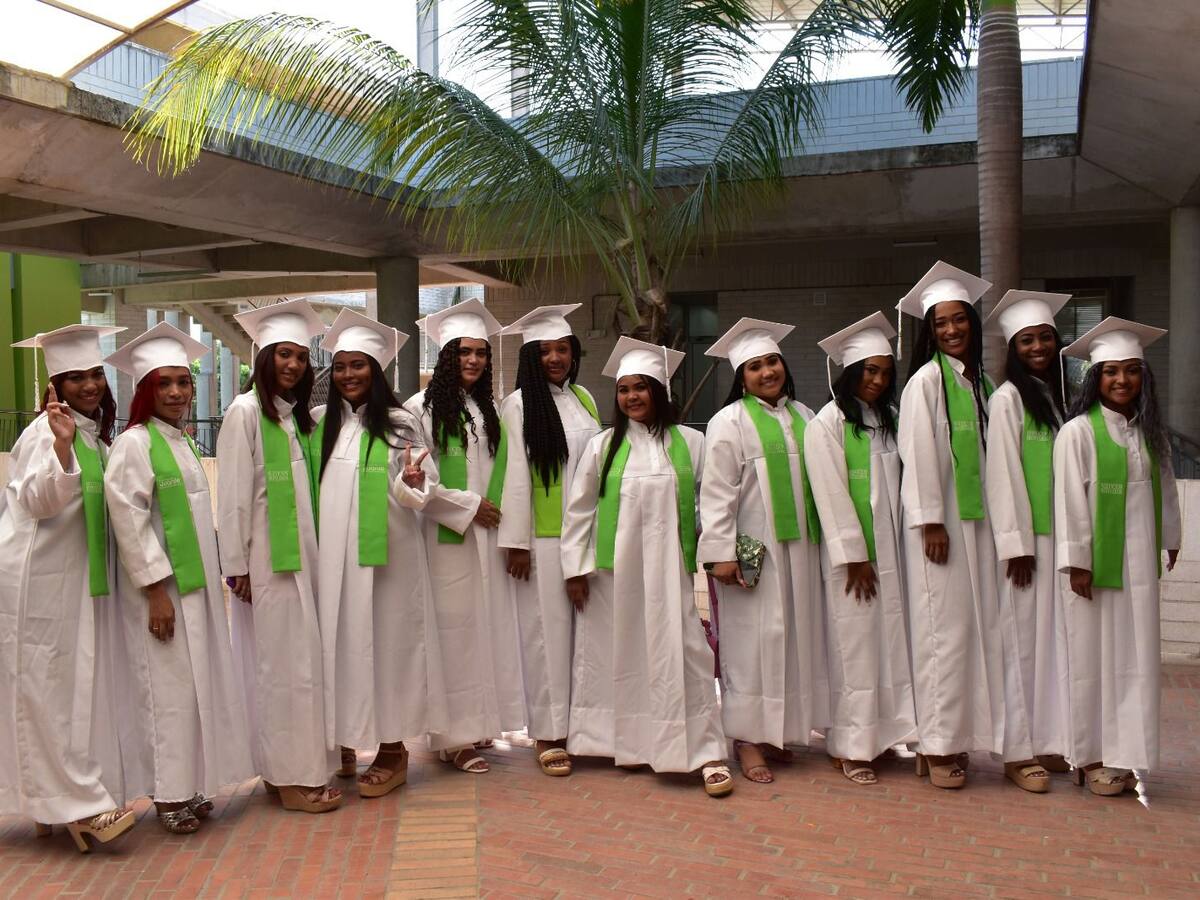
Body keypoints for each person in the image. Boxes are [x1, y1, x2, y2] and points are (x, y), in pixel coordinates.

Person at [561, 337, 732, 798]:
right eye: (624, 389)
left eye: (642, 387)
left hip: (670, 574)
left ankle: (700, 749)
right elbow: (579, 511)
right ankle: (629, 745)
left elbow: (712, 505)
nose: (633, 396)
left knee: (682, 652)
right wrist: (575, 569)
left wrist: (719, 551)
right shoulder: (603, 447)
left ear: (660, 390)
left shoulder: (692, 443)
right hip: (611, 574)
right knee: (618, 654)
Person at [103, 323, 254, 833]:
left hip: (195, 591)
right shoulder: (135, 444)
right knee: (166, 691)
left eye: (183, 383)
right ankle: (168, 796)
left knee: (193, 687)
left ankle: (190, 784)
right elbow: (128, 521)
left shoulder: (181, 441)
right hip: (162, 595)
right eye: (163, 384)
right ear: (144, 390)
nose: (175, 392)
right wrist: (155, 594)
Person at [0, 325, 136, 852]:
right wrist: (59, 446)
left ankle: (50, 804)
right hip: (40, 581)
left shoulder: (92, 434)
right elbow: (39, 499)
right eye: (75, 377)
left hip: (73, 580)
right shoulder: (44, 434)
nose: (90, 385)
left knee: (66, 689)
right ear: (54, 384)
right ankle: (81, 806)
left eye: (95, 374)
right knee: (50, 689)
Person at [313, 309, 447, 799]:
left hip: (390, 560)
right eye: (342, 366)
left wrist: (414, 482)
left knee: (389, 649)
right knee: (343, 645)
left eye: (360, 365)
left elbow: (424, 487)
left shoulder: (399, 422)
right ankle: (346, 739)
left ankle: (393, 750)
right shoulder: (317, 426)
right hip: (336, 563)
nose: (349, 374)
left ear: (378, 370)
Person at [218, 299, 341, 813]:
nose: (292, 365)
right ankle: (292, 778)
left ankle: (284, 769)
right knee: (283, 669)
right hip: (268, 562)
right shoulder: (245, 413)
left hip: (302, 559)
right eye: (282, 355)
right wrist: (237, 566)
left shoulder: (294, 419)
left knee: (296, 665)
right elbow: (233, 497)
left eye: (298, 357)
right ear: (263, 358)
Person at [699, 319, 828, 784]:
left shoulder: (806, 417)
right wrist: (720, 553)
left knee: (793, 639)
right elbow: (717, 493)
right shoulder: (728, 422)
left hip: (802, 552)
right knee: (749, 645)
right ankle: (747, 739)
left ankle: (777, 733)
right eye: (754, 367)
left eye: (772, 361)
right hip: (754, 555)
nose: (767, 372)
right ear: (741, 377)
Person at [1055, 317, 1180, 797]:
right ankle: (1092, 756)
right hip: (1093, 571)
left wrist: (1170, 537)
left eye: (1131, 371)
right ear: (1096, 378)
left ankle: (1126, 755)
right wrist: (1078, 562)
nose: (1121, 380)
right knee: (1093, 660)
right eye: (1110, 371)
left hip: (1139, 567)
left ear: (1143, 377)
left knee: (1136, 660)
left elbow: (1165, 490)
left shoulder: (1150, 433)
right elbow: (1069, 501)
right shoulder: (1078, 433)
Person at [896, 261, 1007, 789]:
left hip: (975, 526)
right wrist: (930, 522)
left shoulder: (980, 383)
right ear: (929, 331)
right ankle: (938, 746)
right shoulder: (926, 382)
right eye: (940, 323)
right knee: (942, 635)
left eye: (959, 319)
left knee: (972, 633)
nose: (951, 329)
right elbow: (918, 456)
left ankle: (961, 737)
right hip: (940, 532)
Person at [403, 298, 524, 773]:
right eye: (462, 352)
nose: (473, 360)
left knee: (482, 631)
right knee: (451, 634)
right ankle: (451, 738)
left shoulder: (488, 409)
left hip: (486, 538)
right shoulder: (420, 409)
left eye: (480, 352)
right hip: (446, 539)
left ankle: (477, 726)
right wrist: (471, 508)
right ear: (445, 357)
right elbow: (418, 481)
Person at [805, 313, 917, 785]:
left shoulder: (889, 419)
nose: (877, 380)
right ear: (849, 373)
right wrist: (855, 555)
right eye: (869, 371)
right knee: (854, 647)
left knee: (891, 645)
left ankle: (885, 735)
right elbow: (829, 492)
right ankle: (851, 745)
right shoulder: (827, 423)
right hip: (854, 561)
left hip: (895, 553)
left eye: (885, 372)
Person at [497, 304, 601, 777]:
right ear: (530, 358)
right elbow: (514, 475)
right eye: (545, 351)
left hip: (585, 535)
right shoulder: (518, 404)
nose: (555, 358)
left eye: (563, 349)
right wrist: (516, 541)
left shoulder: (585, 399)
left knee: (584, 636)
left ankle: (584, 726)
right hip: (541, 539)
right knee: (546, 637)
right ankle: (547, 731)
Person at [983, 290, 1074, 793]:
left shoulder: (1061, 399)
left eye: (1044, 337)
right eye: (1026, 340)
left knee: (1052, 645)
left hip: (1061, 538)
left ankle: (1047, 740)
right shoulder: (1008, 398)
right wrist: (1016, 544)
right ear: (1013, 349)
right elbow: (1002, 473)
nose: (1037, 346)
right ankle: (1018, 753)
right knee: (1019, 645)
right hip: (1028, 543)